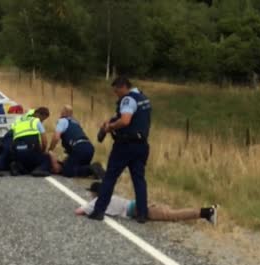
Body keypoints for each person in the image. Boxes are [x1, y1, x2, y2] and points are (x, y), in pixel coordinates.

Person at [88, 76, 152, 223]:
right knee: (139, 179)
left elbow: (125, 120)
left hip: (125, 145)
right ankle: (142, 213)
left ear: (122, 86)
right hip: (141, 145)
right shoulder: (143, 98)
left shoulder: (127, 99)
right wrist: (112, 119)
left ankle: (98, 211)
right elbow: (133, 117)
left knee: (110, 178)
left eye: (116, 90)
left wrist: (110, 127)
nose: (116, 93)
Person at [76, 182, 218, 225]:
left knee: (172, 215)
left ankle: (206, 212)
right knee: (172, 213)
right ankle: (205, 213)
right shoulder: (112, 197)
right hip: (138, 204)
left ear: (96, 194)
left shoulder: (98, 202)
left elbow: (80, 211)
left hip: (138, 209)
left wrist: (87, 205)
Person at [0, 107, 52, 177]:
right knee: (6, 153)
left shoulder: (28, 115)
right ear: (40, 115)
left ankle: (15, 166)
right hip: (13, 134)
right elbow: (44, 141)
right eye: (43, 119)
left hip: (16, 136)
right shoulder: (36, 120)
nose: (42, 121)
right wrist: (42, 151)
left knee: (13, 155)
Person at [46, 105, 105, 179]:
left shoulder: (62, 121)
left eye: (61, 111)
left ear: (63, 113)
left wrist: (50, 149)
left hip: (79, 147)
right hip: (89, 147)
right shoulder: (76, 123)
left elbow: (56, 137)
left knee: (67, 172)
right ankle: (91, 169)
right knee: (79, 168)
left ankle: (91, 169)